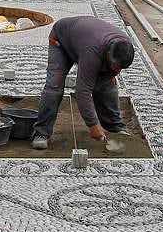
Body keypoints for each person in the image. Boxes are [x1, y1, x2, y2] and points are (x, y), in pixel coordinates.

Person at [31, 16, 135, 151]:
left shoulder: (125, 46)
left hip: (82, 40)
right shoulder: (92, 51)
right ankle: (41, 132)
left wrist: (107, 78)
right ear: (109, 54)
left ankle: (115, 127)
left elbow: (109, 73)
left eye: (120, 68)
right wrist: (93, 125)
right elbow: (83, 91)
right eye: (115, 66)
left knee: (108, 85)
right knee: (54, 86)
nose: (117, 70)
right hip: (61, 41)